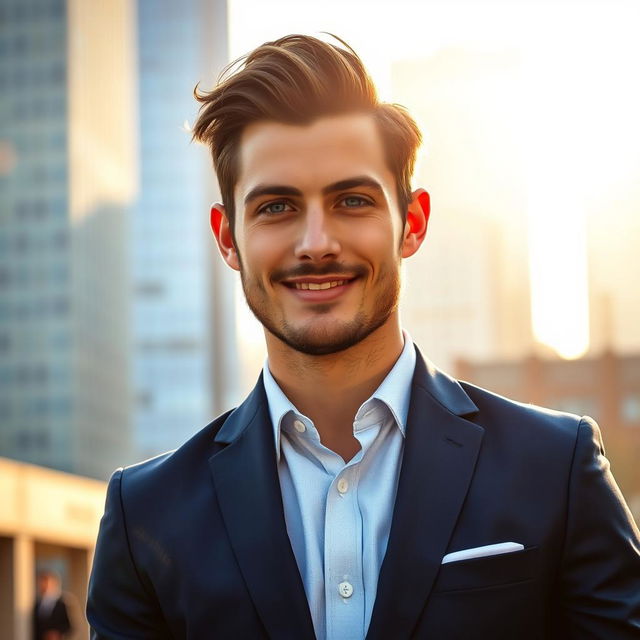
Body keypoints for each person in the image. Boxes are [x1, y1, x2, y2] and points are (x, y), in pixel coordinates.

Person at [87, 34, 640, 639]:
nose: (317, 242)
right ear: (227, 238)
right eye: (276, 207)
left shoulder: (556, 467)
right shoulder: (146, 516)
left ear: (414, 223)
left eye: (352, 200)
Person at [33, 570, 72, 640]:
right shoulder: (37, 605)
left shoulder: (63, 603)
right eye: (42, 583)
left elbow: (70, 626)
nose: (43, 586)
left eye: (46, 583)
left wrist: (57, 633)